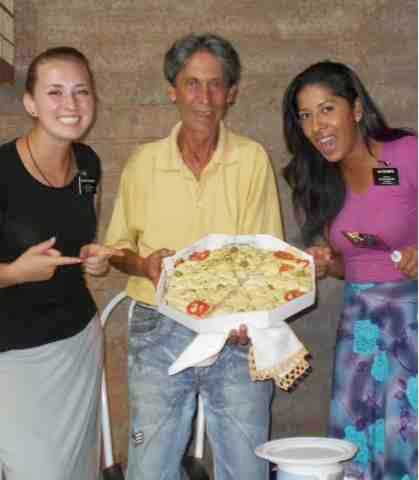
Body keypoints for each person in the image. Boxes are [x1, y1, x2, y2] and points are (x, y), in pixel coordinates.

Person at [105, 33, 283, 480]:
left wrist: (249, 317)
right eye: (192, 84)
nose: (204, 98)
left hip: (236, 327)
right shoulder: (143, 163)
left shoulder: (251, 159)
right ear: (173, 91)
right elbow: (118, 251)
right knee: (150, 467)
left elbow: (266, 258)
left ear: (231, 93)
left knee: (247, 466)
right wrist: (143, 265)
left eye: (215, 84)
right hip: (158, 321)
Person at [282, 60, 417, 480]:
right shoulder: (320, 180)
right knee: (356, 442)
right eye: (305, 115)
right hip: (360, 328)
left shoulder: (406, 154)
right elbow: (353, 263)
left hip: (412, 321)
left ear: (356, 109)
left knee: (406, 438)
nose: (316, 126)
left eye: (327, 109)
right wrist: (327, 263)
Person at [0, 47, 121, 480]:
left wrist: (93, 258)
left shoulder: (88, 163)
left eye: (81, 91)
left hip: (77, 342)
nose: (70, 104)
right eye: (54, 92)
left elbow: (83, 237)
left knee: (76, 470)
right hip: (14, 355)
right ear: (30, 103)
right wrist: (16, 273)